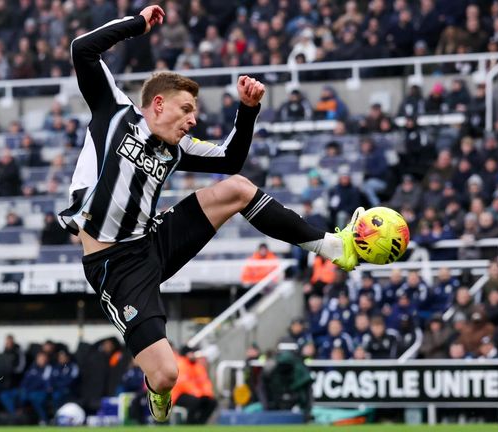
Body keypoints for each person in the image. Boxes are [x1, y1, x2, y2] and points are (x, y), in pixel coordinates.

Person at [57, 5, 363, 423]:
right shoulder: (115, 111)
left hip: (152, 240)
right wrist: (138, 25)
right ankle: (155, 391)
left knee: (236, 188)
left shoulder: (175, 148)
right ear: (158, 104)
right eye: (186, 110)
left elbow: (230, 159)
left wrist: (248, 110)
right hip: (115, 265)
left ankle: (332, 245)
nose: (193, 119)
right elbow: (81, 50)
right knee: (167, 375)